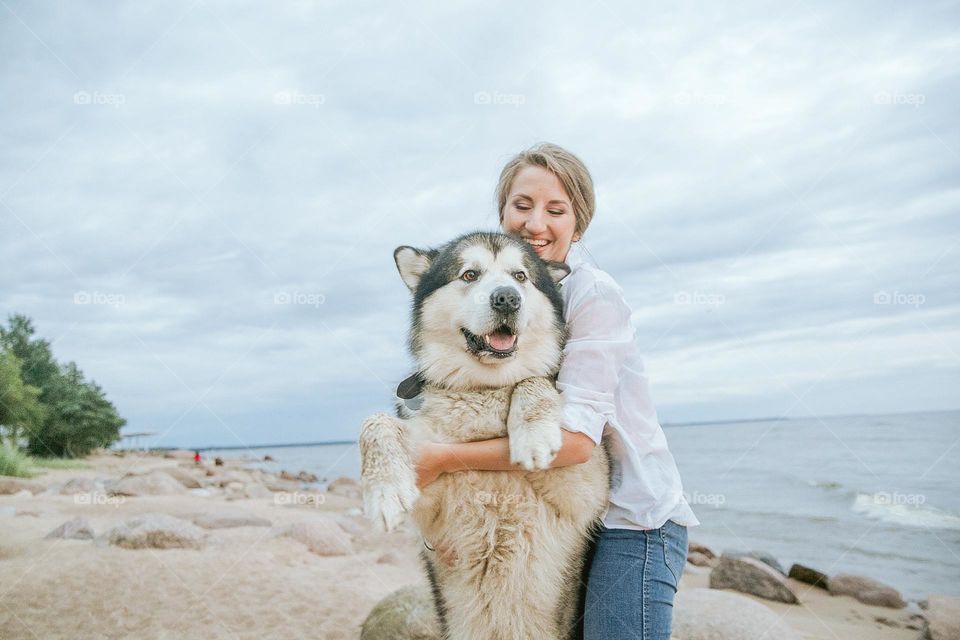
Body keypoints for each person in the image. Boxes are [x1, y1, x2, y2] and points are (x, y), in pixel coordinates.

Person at [413, 143, 699, 639]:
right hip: (559, 511)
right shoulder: (492, 298)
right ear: (502, 213)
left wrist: (440, 459)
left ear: (578, 226)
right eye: (521, 206)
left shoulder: (592, 295)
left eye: (555, 210)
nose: (535, 223)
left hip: (632, 520)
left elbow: (576, 443)